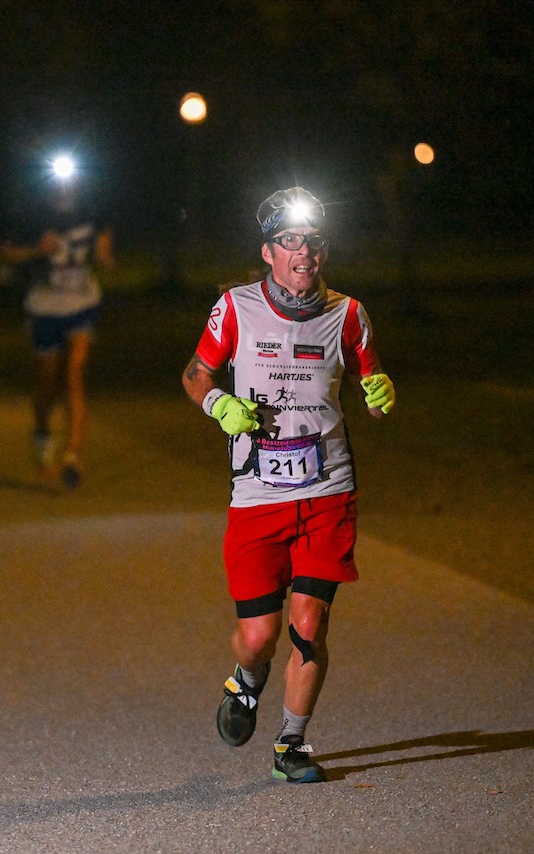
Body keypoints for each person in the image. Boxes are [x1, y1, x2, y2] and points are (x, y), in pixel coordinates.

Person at [181, 187, 397, 783]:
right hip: (256, 494)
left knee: (311, 621)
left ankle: (292, 745)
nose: (304, 252)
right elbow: (195, 376)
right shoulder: (235, 307)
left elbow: (371, 378)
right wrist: (219, 403)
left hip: (328, 489)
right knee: (260, 635)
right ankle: (247, 680)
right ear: (269, 251)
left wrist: (380, 395)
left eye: (314, 241)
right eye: (290, 240)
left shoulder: (349, 314)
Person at [0, 177, 114, 489]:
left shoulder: (93, 214)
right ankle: (41, 431)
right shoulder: (31, 214)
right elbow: (7, 252)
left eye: (71, 183)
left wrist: (104, 260)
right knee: (48, 381)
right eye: (59, 184)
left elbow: (105, 253)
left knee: (74, 373)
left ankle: (72, 456)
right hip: (44, 305)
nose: (65, 190)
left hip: (81, 303)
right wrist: (37, 249)